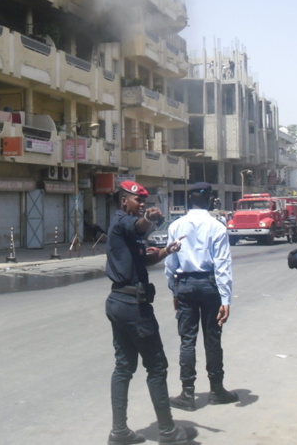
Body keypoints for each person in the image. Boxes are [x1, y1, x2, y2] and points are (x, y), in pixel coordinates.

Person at [105, 180, 197, 445]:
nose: (143, 206)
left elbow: (144, 258)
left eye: (145, 203)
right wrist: (147, 217)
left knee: (124, 366)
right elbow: (139, 224)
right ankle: (168, 431)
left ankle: (119, 431)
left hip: (119, 302)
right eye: (139, 201)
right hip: (133, 306)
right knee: (157, 366)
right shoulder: (124, 221)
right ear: (124, 200)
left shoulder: (125, 231)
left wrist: (167, 250)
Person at [164, 182, 238, 411]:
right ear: (209, 201)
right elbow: (222, 264)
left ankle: (187, 394)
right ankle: (216, 390)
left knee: (187, 340)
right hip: (209, 285)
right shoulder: (216, 227)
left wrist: (174, 290)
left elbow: (170, 262)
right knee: (212, 338)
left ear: (189, 201)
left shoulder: (176, 225)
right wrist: (225, 299)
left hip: (185, 284)